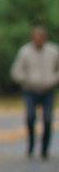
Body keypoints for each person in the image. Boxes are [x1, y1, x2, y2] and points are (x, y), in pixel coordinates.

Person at [11, 25, 59, 160]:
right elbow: (16, 71)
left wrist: (54, 79)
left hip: (48, 90)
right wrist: (25, 80)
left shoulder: (53, 51)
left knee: (48, 119)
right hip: (30, 90)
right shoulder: (25, 52)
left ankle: (45, 149)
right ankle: (31, 145)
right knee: (31, 117)